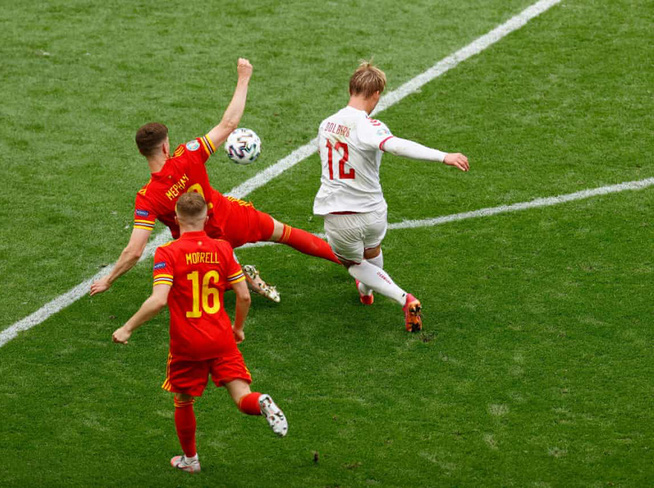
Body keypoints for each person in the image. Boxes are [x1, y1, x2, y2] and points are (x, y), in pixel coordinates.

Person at [90, 58, 339, 299]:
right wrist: (243, 78)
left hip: (202, 246)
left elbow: (134, 251)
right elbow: (229, 123)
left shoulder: (147, 198)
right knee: (286, 233)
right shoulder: (188, 154)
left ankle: (238, 276)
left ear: (141, 152)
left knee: (184, 284)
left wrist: (108, 279)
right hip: (231, 217)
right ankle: (352, 264)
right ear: (166, 146)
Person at [112, 192, 288, 474]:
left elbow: (158, 300)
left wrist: (127, 328)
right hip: (221, 338)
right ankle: (261, 402)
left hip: (187, 343)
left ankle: (190, 460)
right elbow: (244, 296)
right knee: (242, 396)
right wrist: (238, 328)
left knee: (183, 400)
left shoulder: (167, 252)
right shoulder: (222, 248)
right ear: (207, 218)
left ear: (176, 218)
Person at [314, 61, 470, 332]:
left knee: (353, 263)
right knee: (372, 251)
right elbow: (395, 146)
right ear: (376, 94)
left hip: (340, 214)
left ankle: (403, 298)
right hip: (373, 212)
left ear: (351, 89)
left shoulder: (326, 124)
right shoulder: (369, 125)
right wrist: (443, 156)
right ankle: (365, 292)